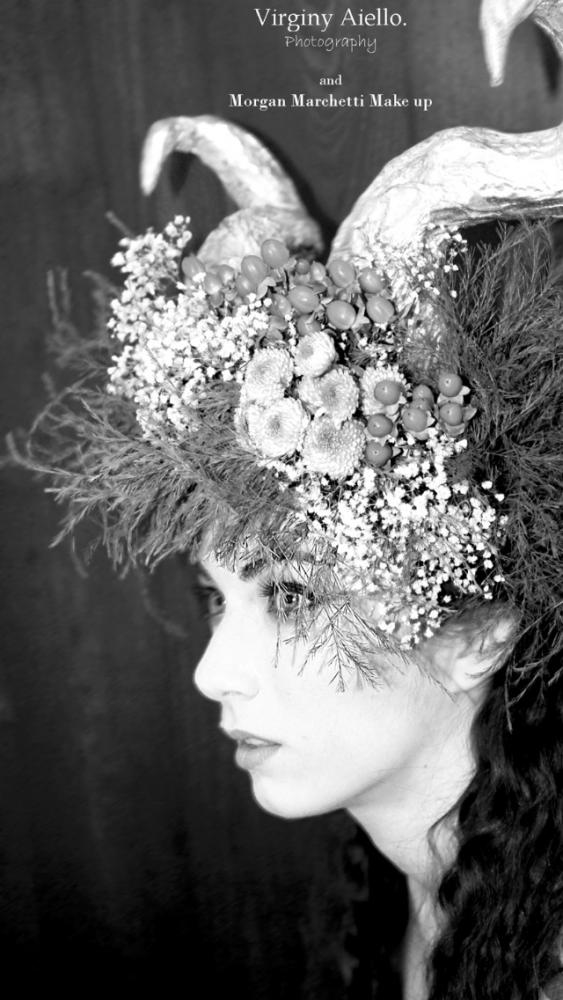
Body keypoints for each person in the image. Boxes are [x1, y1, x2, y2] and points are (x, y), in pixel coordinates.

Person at [10, 3, 563, 997]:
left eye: (294, 595)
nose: (211, 675)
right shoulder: (410, 905)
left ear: (479, 629)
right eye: (215, 598)